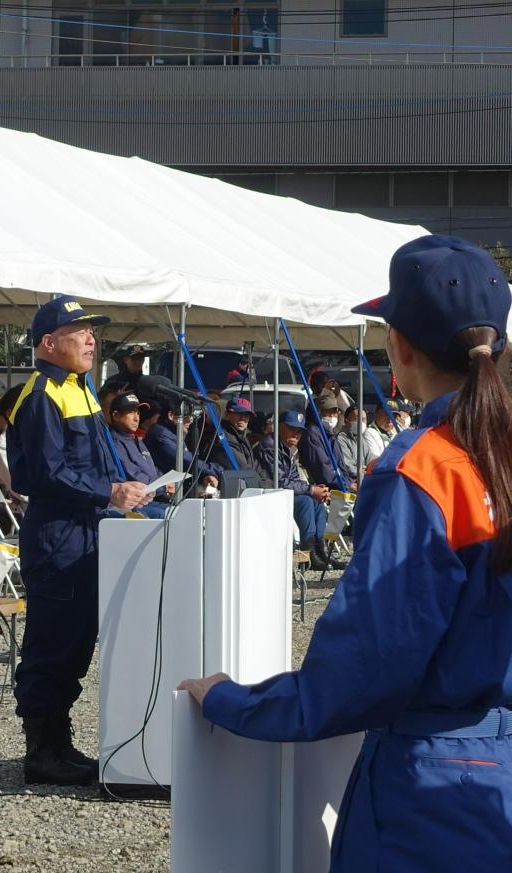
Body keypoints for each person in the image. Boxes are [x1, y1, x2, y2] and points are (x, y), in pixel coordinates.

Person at [181, 234, 512, 873]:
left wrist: (228, 699)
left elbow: (358, 675)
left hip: (434, 786)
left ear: (400, 347)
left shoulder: (423, 470)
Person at [7, 295, 151, 786]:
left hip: (87, 529)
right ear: (49, 342)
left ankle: (60, 743)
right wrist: (109, 491)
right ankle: (41, 752)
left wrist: (124, 488)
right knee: (52, 642)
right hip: (57, 533)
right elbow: (45, 473)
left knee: (76, 643)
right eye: (80, 331)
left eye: (93, 330)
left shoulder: (80, 389)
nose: (92, 338)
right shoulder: (42, 393)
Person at [254, 409, 341, 571]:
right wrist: (310, 489)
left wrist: (315, 490)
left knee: (317, 503)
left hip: (283, 493)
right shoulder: (270, 446)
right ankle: (308, 553)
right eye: (292, 429)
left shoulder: (286, 447)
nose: (296, 434)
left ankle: (319, 551)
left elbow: (294, 478)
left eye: (299, 431)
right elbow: (279, 481)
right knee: (306, 501)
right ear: (280, 427)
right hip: (268, 495)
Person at [108, 391, 173, 518]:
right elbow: (132, 473)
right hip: (126, 505)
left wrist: (167, 481)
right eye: (131, 412)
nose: (136, 418)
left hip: (147, 500)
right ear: (115, 415)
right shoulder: (112, 441)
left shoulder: (135, 439)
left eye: (138, 412)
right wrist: (163, 486)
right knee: (168, 516)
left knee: (181, 512)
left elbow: (152, 469)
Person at [145, 404, 224, 489]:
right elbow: (184, 459)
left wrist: (203, 477)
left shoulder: (173, 433)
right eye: (186, 415)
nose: (190, 420)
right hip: (163, 491)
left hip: (173, 488)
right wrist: (215, 470)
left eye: (192, 416)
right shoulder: (161, 434)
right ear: (171, 415)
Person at [298, 393, 351, 491]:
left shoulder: (330, 434)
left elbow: (341, 466)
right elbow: (323, 470)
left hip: (342, 485)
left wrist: (351, 481)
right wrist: (347, 485)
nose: (332, 416)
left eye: (334, 412)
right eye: (327, 412)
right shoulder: (312, 435)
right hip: (328, 489)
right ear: (318, 413)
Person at [0, 384, 27, 510]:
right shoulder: (2, 447)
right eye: (28, 407)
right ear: (10, 413)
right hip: (25, 512)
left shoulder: (40, 439)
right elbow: (21, 491)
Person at [336, 403, 368, 484]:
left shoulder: (362, 438)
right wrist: (365, 472)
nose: (361, 422)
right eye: (357, 419)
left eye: (363, 419)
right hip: (353, 481)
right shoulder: (341, 438)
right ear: (346, 421)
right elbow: (348, 466)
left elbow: (371, 457)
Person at [363, 399, 399, 463]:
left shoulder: (395, 434)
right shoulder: (369, 433)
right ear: (377, 414)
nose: (390, 419)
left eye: (394, 416)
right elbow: (374, 462)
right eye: (387, 414)